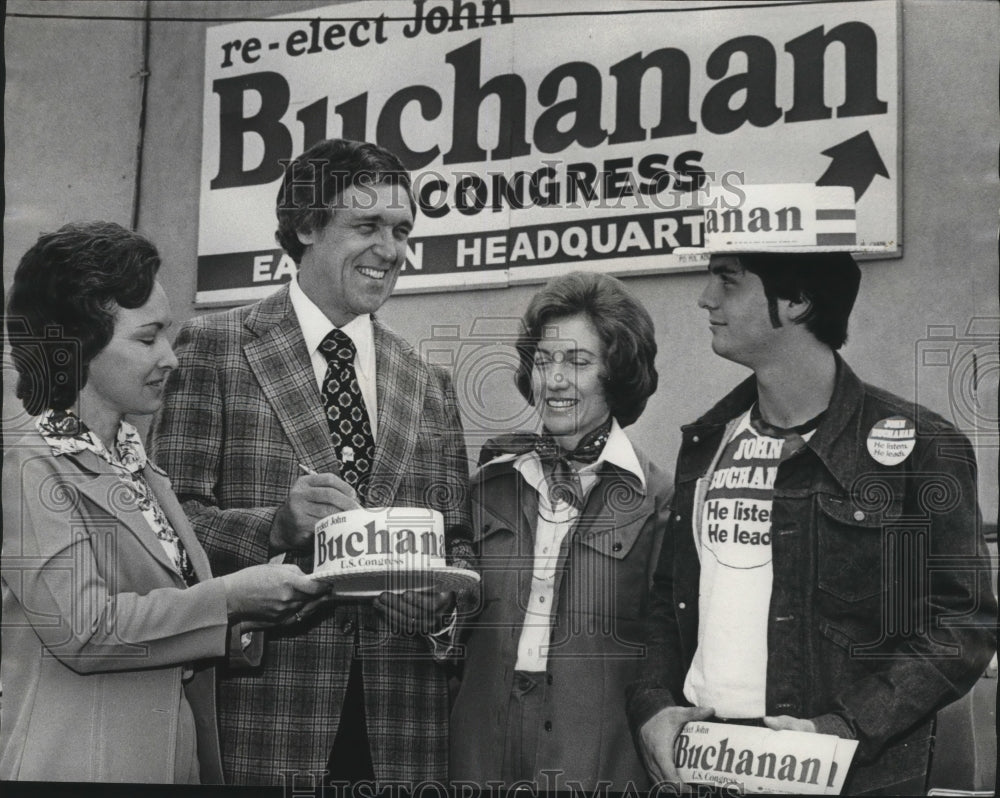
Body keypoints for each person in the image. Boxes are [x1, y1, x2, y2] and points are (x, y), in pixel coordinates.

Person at [150, 138, 475, 786]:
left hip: (401, 729)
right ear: (305, 225)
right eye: (367, 226)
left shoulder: (428, 381)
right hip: (264, 721)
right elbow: (166, 530)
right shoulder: (212, 345)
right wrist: (273, 526)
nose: (392, 249)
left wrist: (440, 612)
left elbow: (458, 545)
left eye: (402, 230)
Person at [626, 251, 998, 795]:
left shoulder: (921, 447)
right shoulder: (707, 441)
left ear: (797, 300)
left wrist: (844, 730)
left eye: (728, 281)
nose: (706, 298)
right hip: (703, 767)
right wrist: (653, 704)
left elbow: (961, 625)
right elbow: (668, 599)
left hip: (850, 777)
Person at [1, 221, 328, 783]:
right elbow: (85, 631)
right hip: (73, 766)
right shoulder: (26, 463)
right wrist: (227, 596)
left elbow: (165, 616)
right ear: (78, 343)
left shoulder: (134, 459)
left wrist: (253, 609)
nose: (171, 358)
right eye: (147, 337)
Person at [449, 271, 671, 792]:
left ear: (616, 372)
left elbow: (664, 652)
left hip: (595, 759)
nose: (554, 381)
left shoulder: (659, 497)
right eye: (544, 361)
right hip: (481, 748)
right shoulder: (488, 486)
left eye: (577, 361)